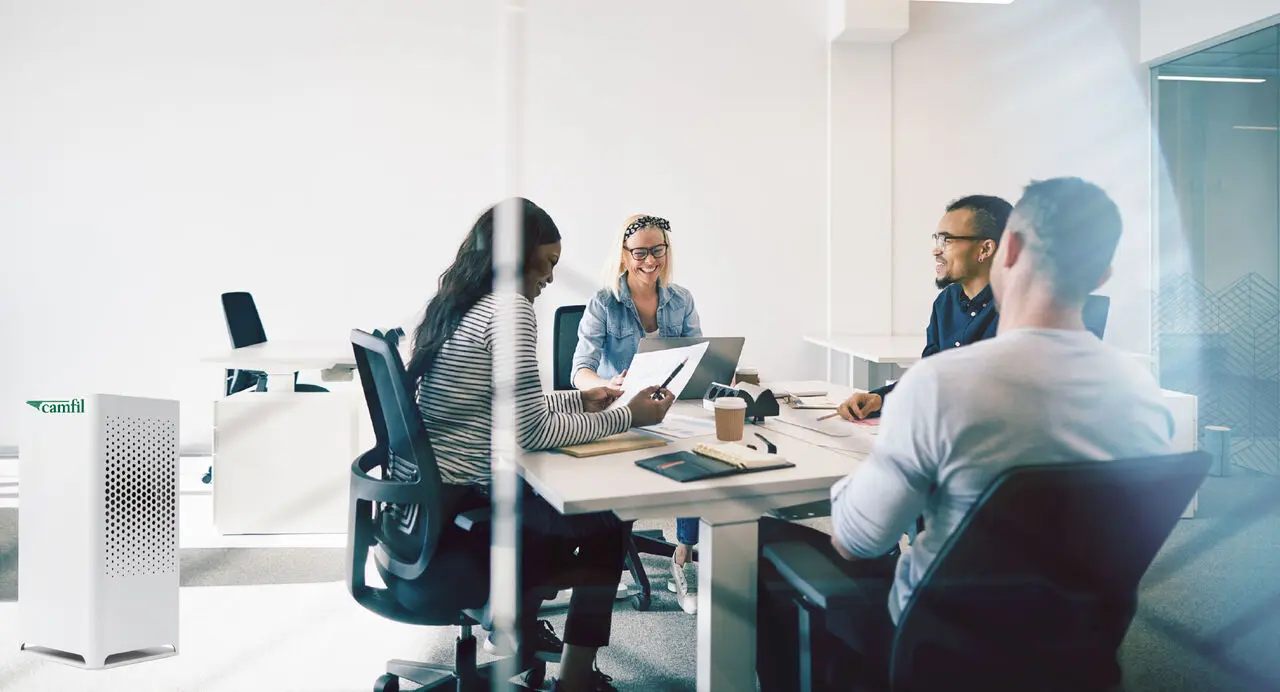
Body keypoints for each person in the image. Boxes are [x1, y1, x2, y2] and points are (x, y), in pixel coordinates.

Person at [757, 177, 1176, 690]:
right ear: (1103, 273)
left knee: (766, 542)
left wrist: (887, 460)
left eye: (945, 238)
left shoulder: (941, 387)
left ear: (1005, 250)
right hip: (1079, 655)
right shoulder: (1146, 398)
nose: (936, 248)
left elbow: (856, 540)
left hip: (939, 653)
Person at [406, 198, 675, 692]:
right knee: (609, 518)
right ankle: (575, 678)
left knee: (562, 502)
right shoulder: (511, 310)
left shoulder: (463, 305)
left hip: (425, 515)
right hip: (466, 519)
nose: (550, 277)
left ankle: (521, 635)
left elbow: (509, 406)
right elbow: (531, 432)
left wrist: (581, 399)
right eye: (548, 263)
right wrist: (629, 416)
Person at [570, 213, 704, 614]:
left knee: (699, 452)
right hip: (622, 412)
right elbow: (579, 370)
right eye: (640, 252)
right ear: (624, 255)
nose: (650, 260)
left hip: (671, 408)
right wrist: (606, 384)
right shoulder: (604, 303)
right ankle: (605, 556)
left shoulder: (681, 300)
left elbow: (698, 357)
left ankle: (683, 554)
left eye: (657, 250)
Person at [837, 195, 1012, 421]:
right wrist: (879, 399)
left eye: (947, 241)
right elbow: (929, 379)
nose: (936, 251)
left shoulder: (1017, 310)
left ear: (985, 249)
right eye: (937, 240)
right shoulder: (945, 302)